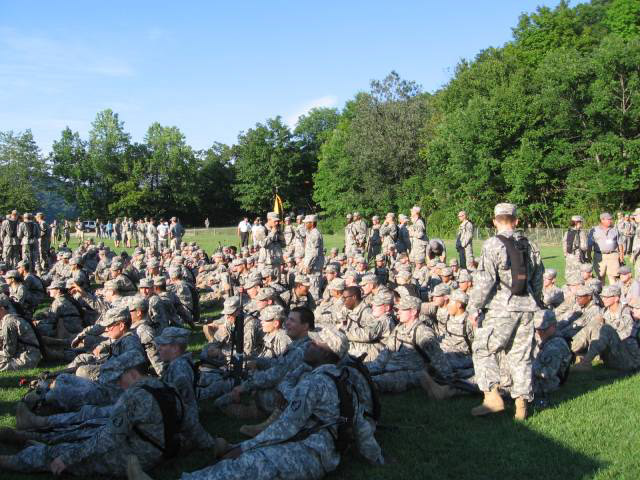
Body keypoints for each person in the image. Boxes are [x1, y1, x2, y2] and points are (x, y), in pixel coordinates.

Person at [129, 325, 384, 480]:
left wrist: (247, 447)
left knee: (247, 466)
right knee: (244, 458)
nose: (308, 345)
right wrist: (377, 459)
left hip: (312, 453)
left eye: (314, 343)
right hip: (318, 446)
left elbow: (286, 427)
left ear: (326, 352)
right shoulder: (342, 377)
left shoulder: (315, 383)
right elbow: (360, 424)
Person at [0, 351, 174, 477]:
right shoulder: (163, 387)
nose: (119, 383)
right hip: (154, 448)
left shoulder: (133, 397)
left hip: (136, 457)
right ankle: (27, 436)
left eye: (121, 378)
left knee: (59, 453)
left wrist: (67, 458)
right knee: (86, 429)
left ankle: (10, 460)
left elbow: (106, 439)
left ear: (134, 374)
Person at [468, 202, 544, 421]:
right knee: (520, 357)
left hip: (503, 307)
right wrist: (535, 300)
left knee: (483, 348)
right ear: (516, 221)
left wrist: (475, 307)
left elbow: (485, 280)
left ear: (494, 221)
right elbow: (538, 277)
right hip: (527, 306)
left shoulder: (492, 244)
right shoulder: (530, 244)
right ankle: (521, 407)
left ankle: (492, 397)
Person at [0, 294, 42, 371]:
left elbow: (9, 352)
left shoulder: (8, 323)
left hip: (26, 358)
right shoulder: (13, 318)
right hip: (30, 354)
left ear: (2, 309)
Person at [588, 212, 624, 285]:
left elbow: (620, 244)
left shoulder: (615, 230)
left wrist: (621, 256)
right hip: (599, 256)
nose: (610, 221)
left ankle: (614, 294)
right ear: (602, 220)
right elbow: (589, 245)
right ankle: (602, 295)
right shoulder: (594, 230)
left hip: (613, 255)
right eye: (608, 219)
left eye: (611, 219)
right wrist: (588, 256)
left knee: (613, 277)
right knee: (600, 277)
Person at [301, 214, 324, 300]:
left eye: (307, 223)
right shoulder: (310, 233)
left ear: (312, 223)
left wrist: (309, 266)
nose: (305, 225)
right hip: (311, 266)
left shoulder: (315, 234)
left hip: (313, 267)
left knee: (313, 291)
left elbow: (315, 253)